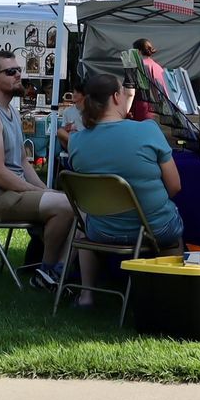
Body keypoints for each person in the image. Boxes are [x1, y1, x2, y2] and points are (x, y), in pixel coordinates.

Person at [61, 72, 186, 307]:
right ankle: (171, 296)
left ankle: (87, 295)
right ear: (117, 97)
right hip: (154, 228)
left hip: (103, 230)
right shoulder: (148, 130)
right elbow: (175, 186)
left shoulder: (76, 141)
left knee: (84, 225)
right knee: (172, 231)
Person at [0, 48, 72, 289]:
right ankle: (48, 273)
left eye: (19, 70)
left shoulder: (10, 110)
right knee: (65, 205)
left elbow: (23, 162)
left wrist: (45, 190)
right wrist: (38, 193)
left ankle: (62, 273)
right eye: (11, 72)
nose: (18, 76)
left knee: (77, 206)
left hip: (13, 194)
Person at [128, 39, 167, 121]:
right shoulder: (158, 67)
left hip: (142, 108)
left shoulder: (139, 67)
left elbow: (131, 91)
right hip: (157, 110)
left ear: (138, 52)